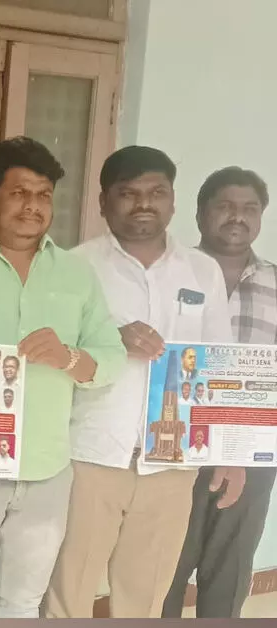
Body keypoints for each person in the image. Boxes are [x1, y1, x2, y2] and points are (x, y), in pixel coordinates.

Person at [46, 146, 245, 618]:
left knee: (145, 599)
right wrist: (111, 341)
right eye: (128, 193)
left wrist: (230, 453)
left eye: (157, 193)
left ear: (173, 201)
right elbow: (56, 352)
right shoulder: (75, 265)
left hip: (171, 463)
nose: (143, 204)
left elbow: (219, 362)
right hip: (89, 455)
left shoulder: (201, 270)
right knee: (67, 594)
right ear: (103, 202)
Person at [0, 137, 126, 618]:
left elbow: (111, 357)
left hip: (46, 467)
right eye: (19, 193)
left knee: (23, 601)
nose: (32, 206)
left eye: (43, 195)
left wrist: (68, 357)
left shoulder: (76, 274)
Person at [165, 167, 276, 619]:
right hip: (174, 445)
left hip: (252, 450)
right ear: (200, 213)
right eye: (226, 206)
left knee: (229, 570)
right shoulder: (172, 274)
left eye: (250, 208)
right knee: (166, 564)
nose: (238, 217)